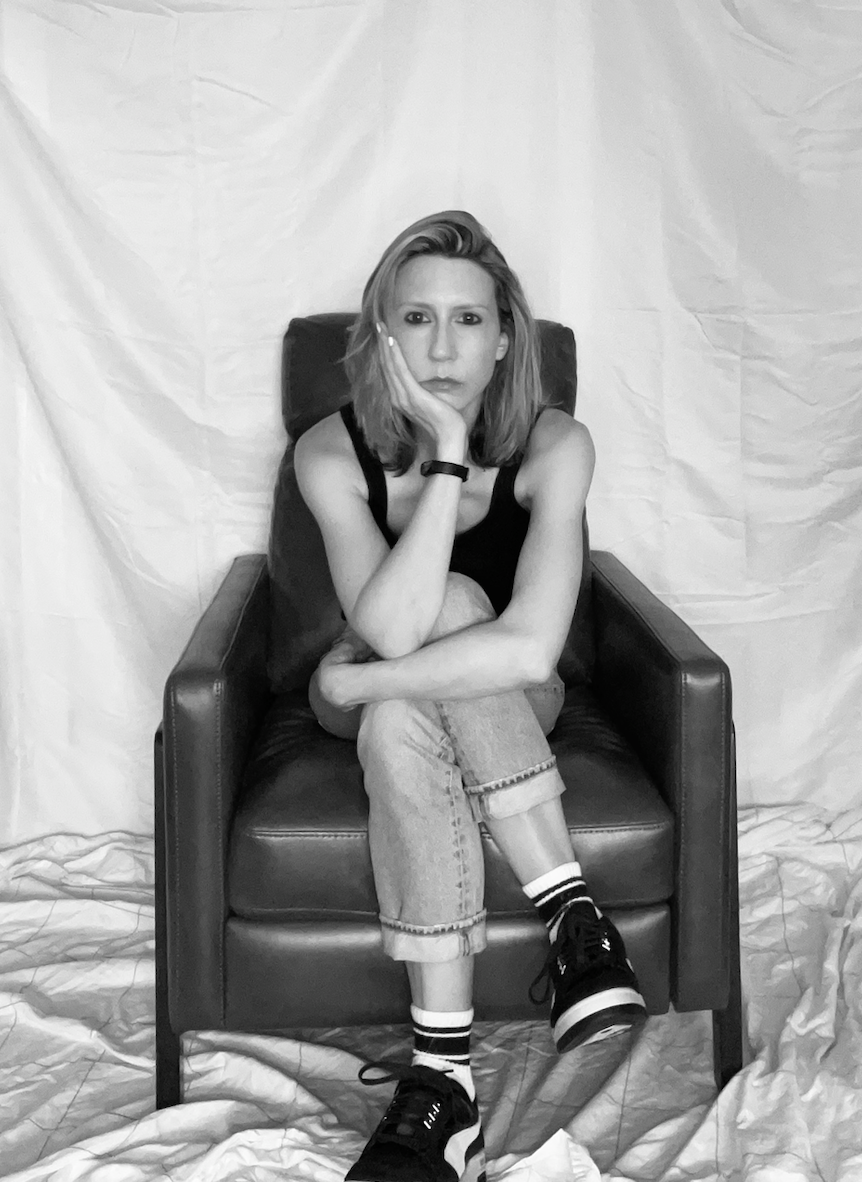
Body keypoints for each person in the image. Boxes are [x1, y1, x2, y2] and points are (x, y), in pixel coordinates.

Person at [294, 212, 646, 1182]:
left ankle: (443, 1084)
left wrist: (362, 680)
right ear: (383, 334)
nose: (443, 347)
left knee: (401, 709)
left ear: (504, 337)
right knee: (441, 599)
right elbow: (400, 622)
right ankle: (576, 923)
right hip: (387, 658)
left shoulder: (555, 444)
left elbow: (531, 649)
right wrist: (446, 456)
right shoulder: (330, 452)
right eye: (416, 317)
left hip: (412, 690)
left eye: (468, 320)